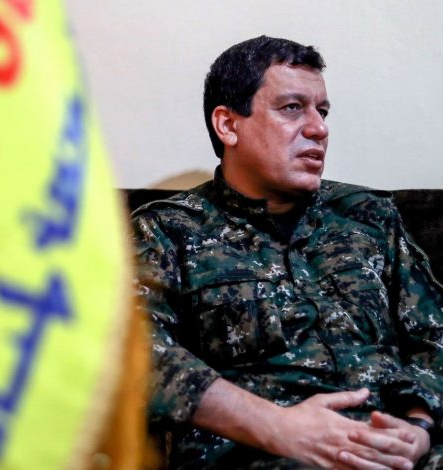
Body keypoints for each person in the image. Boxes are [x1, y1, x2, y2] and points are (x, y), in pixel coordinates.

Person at [131, 35, 443, 469]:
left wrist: (419, 426)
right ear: (228, 125)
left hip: (401, 450)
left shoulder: (368, 215)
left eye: (322, 111)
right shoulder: (167, 230)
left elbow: (434, 334)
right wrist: (278, 427)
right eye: (293, 108)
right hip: (260, 455)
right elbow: (132, 352)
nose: (319, 128)